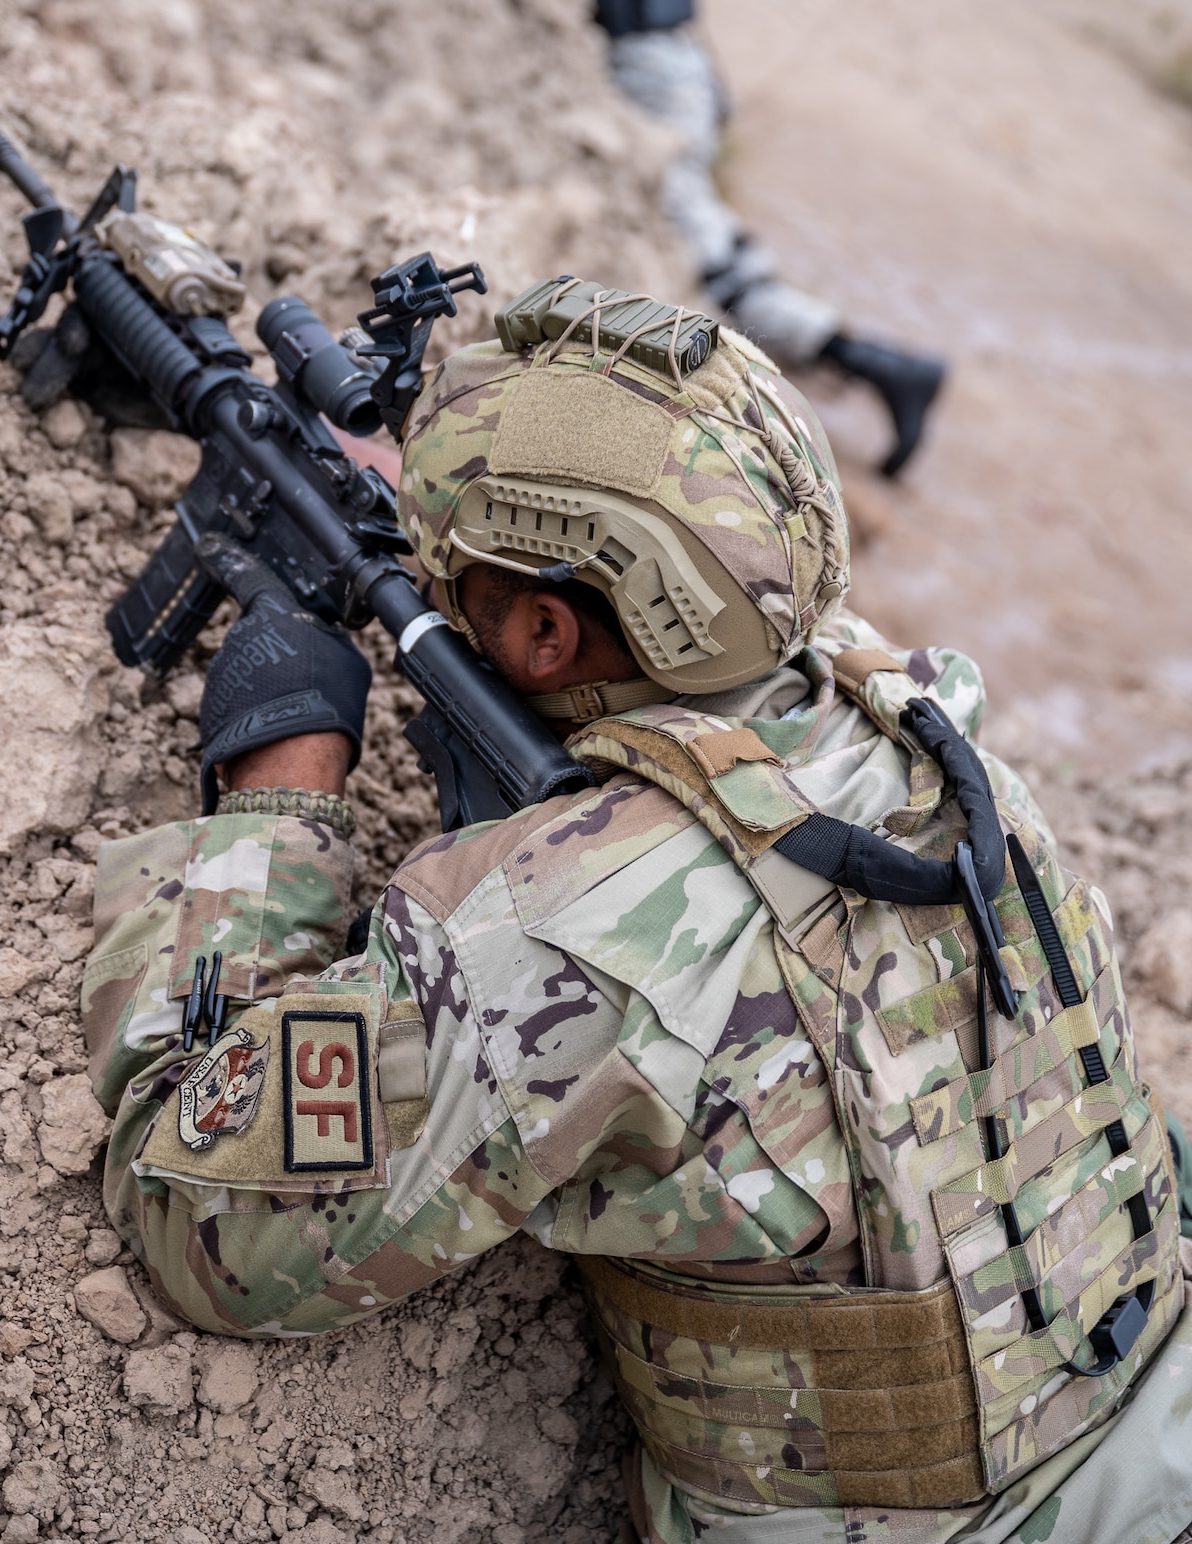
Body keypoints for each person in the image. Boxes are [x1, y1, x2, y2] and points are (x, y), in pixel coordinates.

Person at [84, 279, 1192, 1543]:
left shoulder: (563, 935)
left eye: (461, 577)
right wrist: (470, 493)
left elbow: (194, 1226)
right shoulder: (923, 720)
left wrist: (278, 802)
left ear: (549, 632)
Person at [415, 0, 946, 477]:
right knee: (712, 234)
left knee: (704, 251)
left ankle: (869, 365)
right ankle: (858, 366)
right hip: (691, 67)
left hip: (650, 77)